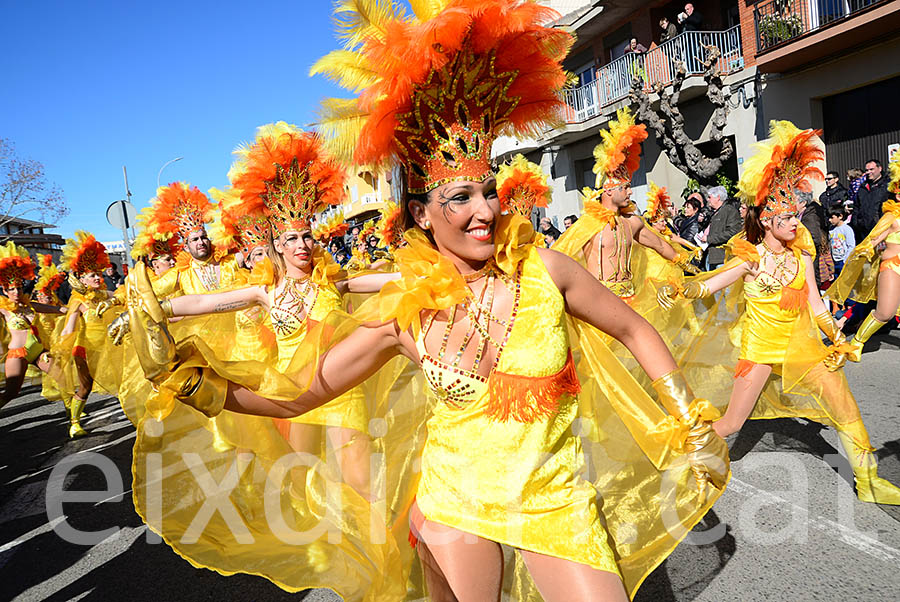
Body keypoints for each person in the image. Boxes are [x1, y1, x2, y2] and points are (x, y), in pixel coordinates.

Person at [126, 2, 728, 599]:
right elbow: (297, 396)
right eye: (460, 197)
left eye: (488, 193)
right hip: (455, 503)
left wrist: (688, 418)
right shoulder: (402, 311)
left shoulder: (548, 271)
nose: (486, 211)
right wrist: (192, 381)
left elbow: (635, 331)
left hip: (558, 499)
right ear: (422, 214)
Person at [659, 121, 900, 505]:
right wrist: (680, 288)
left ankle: (868, 482)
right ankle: (681, 453)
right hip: (758, 352)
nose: (795, 222)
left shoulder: (801, 254)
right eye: (787, 217)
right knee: (732, 423)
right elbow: (710, 284)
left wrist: (838, 339)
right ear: (768, 220)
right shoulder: (749, 257)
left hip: (801, 350)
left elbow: (815, 304)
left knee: (844, 405)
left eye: (795, 216)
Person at [555, 108, 696, 302]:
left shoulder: (633, 222)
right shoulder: (588, 224)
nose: (630, 192)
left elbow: (660, 245)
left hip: (631, 298)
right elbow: (561, 256)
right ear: (609, 191)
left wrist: (683, 263)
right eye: (625, 188)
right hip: (600, 302)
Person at [830, 154, 900, 360]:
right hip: (892, 266)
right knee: (885, 313)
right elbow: (873, 238)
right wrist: (866, 250)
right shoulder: (891, 215)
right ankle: (857, 342)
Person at [58, 232, 127, 437]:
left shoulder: (103, 295)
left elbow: (123, 295)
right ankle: (74, 422)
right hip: (86, 350)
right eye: (92, 275)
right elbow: (69, 328)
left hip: (108, 347)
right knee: (85, 387)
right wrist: (60, 350)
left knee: (124, 380)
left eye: (98, 273)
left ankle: (137, 413)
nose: (97, 277)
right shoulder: (79, 301)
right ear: (81, 279)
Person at [0, 243, 67, 411]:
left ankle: (73, 416)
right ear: (5, 290)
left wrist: (75, 310)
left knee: (63, 377)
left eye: (19, 288)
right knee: (11, 393)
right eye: (12, 289)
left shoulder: (29, 305)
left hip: (38, 351)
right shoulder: (4, 309)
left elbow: (57, 309)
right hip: (18, 354)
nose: (16, 292)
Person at [699, 185, 741, 270]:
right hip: (711, 257)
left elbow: (733, 232)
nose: (708, 200)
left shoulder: (729, 211)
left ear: (718, 197)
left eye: (710, 197)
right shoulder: (715, 212)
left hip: (722, 258)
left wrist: (709, 238)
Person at [798, 190, 834, 288]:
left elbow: (814, 239)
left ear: (803, 203)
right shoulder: (799, 215)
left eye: (794, 201)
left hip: (810, 260)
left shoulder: (810, 216)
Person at [854, 159, 890, 240]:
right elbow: (857, 206)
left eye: (871, 169)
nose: (868, 172)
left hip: (881, 230)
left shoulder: (887, 186)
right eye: (866, 170)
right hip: (864, 230)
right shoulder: (863, 187)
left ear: (879, 168)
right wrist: (856, 222)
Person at [828, 205, 856, 274]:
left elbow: (851, 246)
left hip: (843, 261)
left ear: (840, 216)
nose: (829, 220)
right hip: (834, 260)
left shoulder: (847, 229)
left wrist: (845, 260)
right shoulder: (831, 229)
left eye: (832, 217)